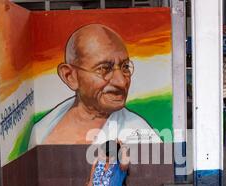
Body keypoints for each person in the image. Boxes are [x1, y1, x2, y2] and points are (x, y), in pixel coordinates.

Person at [30, 24, 161, 146]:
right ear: (70, 76)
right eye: (104, 69)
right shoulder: (42, 131)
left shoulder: (142, 137)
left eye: (125, 67)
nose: (121, 81)